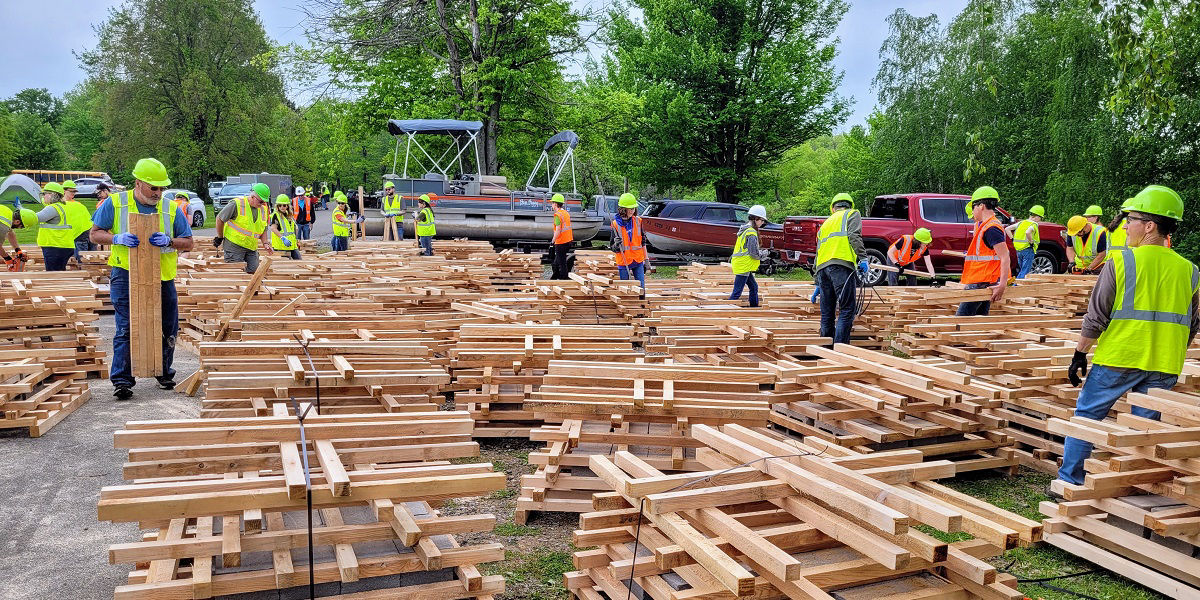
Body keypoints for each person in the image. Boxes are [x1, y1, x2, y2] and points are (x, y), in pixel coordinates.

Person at [1055, 185, 1198, 489]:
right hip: (1164, 363)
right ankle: (1133, 484)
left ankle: (1070, 483)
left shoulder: (1121, 262)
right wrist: (1173, 350)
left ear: (1149, 226)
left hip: (1120, 356)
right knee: (1145, 429)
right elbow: (1193, 323)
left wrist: (1080, 353)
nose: (1125, 226)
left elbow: (1096, 316)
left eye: (1131, 219)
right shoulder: (1191, 271)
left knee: (1087, 418)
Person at [88, 157, 194, 399]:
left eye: (162, 188)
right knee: (126, 327)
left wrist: (169, 241)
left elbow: (188, 242)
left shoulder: (170, 208)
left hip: (162, 277)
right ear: (138, 183)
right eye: (153, 187)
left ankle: (164, 371)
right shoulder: (116, 203)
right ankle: (123, 380)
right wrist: (116, 238)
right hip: (126, 274)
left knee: (167, 326)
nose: (159, 192)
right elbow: (94, 235)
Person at [815, 193, 868, 345]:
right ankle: (840, 350)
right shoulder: (853, 213)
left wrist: (817, 282)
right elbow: (854, 235)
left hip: (822, 269)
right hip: (841, 266)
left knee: (827, 313)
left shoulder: (825, 224)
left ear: (833, 208)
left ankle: (825, 349)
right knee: (846, 309)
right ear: (850, 205)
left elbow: (818, 251)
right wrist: (863, 258)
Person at [957, 186, 1012, 316]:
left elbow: (1005, 256)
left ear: (981, 206)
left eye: (973, 207)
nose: (973, 211)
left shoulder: (991, 228)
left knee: (960, 322)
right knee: (979, 321)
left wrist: (1002, 285)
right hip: (983, 281)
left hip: (982, 282)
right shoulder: (986, 226)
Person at [212, 182, 273, 273]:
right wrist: (220, 237)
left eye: (264, 201)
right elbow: (220, 219)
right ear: (252, 197)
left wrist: (265, 243)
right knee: (236, 274)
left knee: (254, 273)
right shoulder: (237, 204)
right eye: (260, 201)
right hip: (234, 246)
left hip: (251, 247)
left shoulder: (263, 209)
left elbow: (263, 228)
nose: (262, 203)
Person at [729, 204, 771, 307]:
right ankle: (725, 311)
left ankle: (754, 308)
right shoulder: (751, 233)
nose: (763, 223)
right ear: (756, 219)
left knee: (753, 287)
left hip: (742, 264)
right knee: (737, 292)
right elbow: (754, 254)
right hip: (744, 265)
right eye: (762, 220)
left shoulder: (745, 230)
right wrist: (767, 253)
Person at [34, 182, 77, 271]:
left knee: (54, 274)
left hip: (54, 246)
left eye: (45, 194)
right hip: (62, 246)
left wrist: (21, 212)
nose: (43, 196)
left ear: (51, 195)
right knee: (59, 271)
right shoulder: (62, 206)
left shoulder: (53, 208)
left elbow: (36, 218)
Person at [610, 193, 647, 290]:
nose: (632, 211)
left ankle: (642, 304)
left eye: (633, 208)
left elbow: (643, 242)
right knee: (625, 289)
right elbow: (613, 248)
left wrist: (646, 260)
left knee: (641, 288)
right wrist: (617, 244)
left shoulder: (638, 221)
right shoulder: (615, 224)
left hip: (638, 260)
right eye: (630, 209)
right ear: (623, 209)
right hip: (624, 261)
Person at [62, 180, 94, 267]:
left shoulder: (78, 204)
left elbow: (88, 218)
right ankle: (83, 272)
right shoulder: (61, 205)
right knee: (81, 259)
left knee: (89, 258)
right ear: (64, 191)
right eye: (71, 191)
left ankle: (88, 273)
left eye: (75, 191)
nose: (74, 193)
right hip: (77, 235)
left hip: (86, 233)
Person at [1006, 205, 1044, 279]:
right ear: (1037, 217)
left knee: (1022, 269)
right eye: (1040, 218)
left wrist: (1012, 239)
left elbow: (1007, 229)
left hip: (1019, 250)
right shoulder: (1033, 224)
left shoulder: (1021, 223)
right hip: (1028, 249)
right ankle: (1016, 286)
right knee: (1025, 271)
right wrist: (1031, 242)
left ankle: (1017, 284)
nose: (1040, 220)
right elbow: (1028, 232)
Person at [270, 194, 301, 259]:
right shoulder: (276, 215)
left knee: (299, 260)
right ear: (277, 206)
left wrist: (296, 240)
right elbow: (273, 228)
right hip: (281, 246)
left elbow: (293, 229)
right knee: (286, 265)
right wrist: (283, 238)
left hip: (292, 244)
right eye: (280, 205)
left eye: (284, 205)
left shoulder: (289, 215)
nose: (282, 207)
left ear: (287, 206)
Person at [549, 193, 573, 279]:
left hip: (561, 242)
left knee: (562, 263)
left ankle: (563, 279)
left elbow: (558, 230)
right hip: (568, 240)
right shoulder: (565, 213)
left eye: (552, 203)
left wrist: (552, 241)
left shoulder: (557, 215)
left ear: (555, 204)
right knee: (557, 262)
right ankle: (556, 277)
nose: (551, 205)